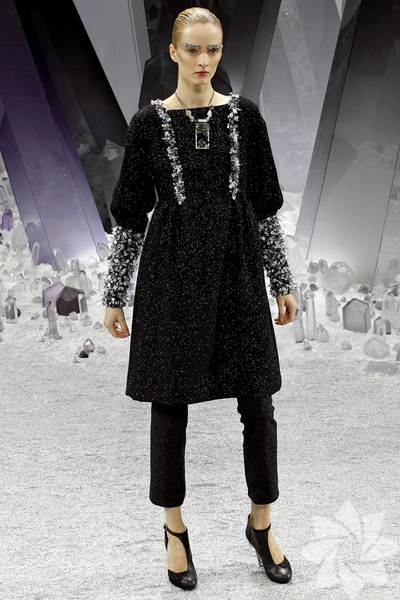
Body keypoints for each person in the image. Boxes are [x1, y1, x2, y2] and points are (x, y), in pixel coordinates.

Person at [103, 7, 297, 591]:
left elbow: (264, 207)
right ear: (173, 52)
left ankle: (261, 524)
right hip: (171, 276)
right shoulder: (148, 124)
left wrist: (281, 281)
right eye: (192, 48)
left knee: (258, 403)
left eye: (212, 49)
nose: (203, 60)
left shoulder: (246, 117)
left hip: (238, 272)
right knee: (170, 405)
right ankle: (175, 530)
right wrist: (115, 293)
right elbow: (131, 216)